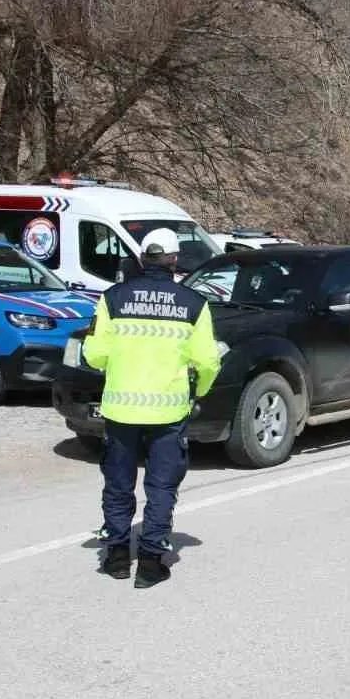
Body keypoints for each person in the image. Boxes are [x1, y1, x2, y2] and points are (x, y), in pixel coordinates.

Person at [84, 227, 222, 587]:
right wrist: (198, 392)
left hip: (120, 411)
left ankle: (115, 555)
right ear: (175, 260)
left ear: (143, 258)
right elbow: (208, 362)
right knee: (161, 487)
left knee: (118, 483)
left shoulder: (113, 298)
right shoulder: (194, 304)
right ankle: (149, 563)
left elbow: (95, 353)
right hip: (168, 413)